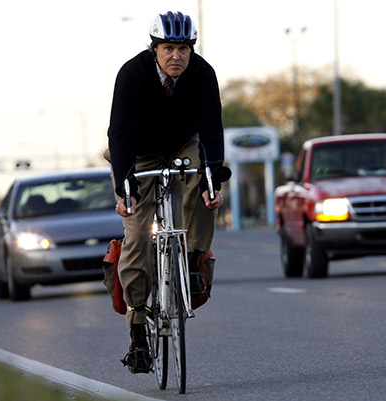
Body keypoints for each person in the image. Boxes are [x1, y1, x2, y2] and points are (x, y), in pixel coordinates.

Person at [104, 11, 225, 374]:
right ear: (154, 48)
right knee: (138, 233)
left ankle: (191, 262)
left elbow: (212, 128)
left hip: (183, 144)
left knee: (204, 182)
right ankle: (139, 329)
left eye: (184, 48)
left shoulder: (203, 74)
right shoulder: (132, 74)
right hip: (138, 152)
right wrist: (125, 189)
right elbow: (120, 134)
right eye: (169, 48)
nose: (177, 56)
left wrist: (211, 181)